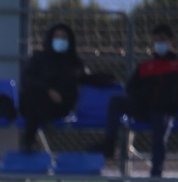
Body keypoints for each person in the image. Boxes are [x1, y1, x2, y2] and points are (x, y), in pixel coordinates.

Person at [88, 24, 178, 182]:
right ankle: (109, 145)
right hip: (143, 109)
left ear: (171, 42)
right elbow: (131, 88)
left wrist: (176, 104)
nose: (159, 43)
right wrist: (141, 97)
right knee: (116, 101)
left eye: (163, 40)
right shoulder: (145, 67)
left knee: (159, 139)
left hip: (164, 112)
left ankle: (155, 178)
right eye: (157, 40)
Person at [16, 23, 113, 152]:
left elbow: (85, 78)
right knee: (33, 96)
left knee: (33, 102)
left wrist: (105, 78)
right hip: (37, 100)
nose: (60, 40)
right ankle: (33, 135)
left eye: (63, 37)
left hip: (59, 106)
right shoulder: (39, 59)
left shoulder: (73, 62)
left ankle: (28, 140)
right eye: (57, 37)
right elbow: (27, 79)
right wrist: (48, 90)